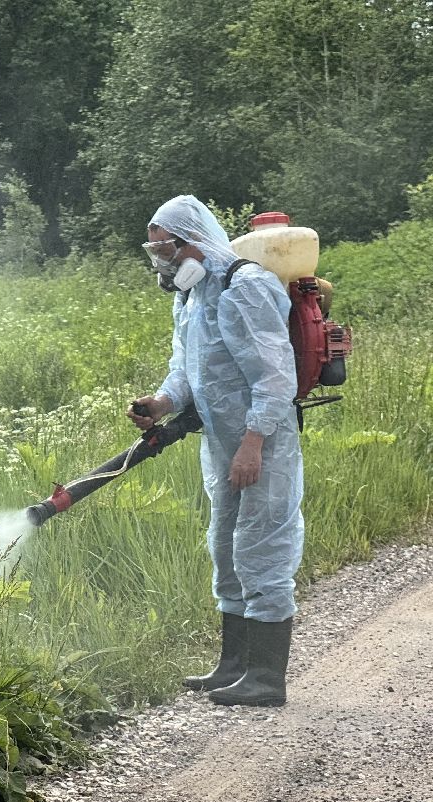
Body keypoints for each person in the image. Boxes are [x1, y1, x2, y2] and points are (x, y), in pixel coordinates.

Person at [127, 195, 302, 707]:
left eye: (165, 248)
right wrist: (161, 402)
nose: (161, 259)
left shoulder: (244, 287)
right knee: (225, 542)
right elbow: (188, 368)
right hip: (223, 441)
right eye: (155, 249)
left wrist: (253, 444)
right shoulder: (192, 295)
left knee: (261, 546)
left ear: (192, 241)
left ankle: (267, 678)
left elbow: (274, 376)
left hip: (261, 442)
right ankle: (233, 665)